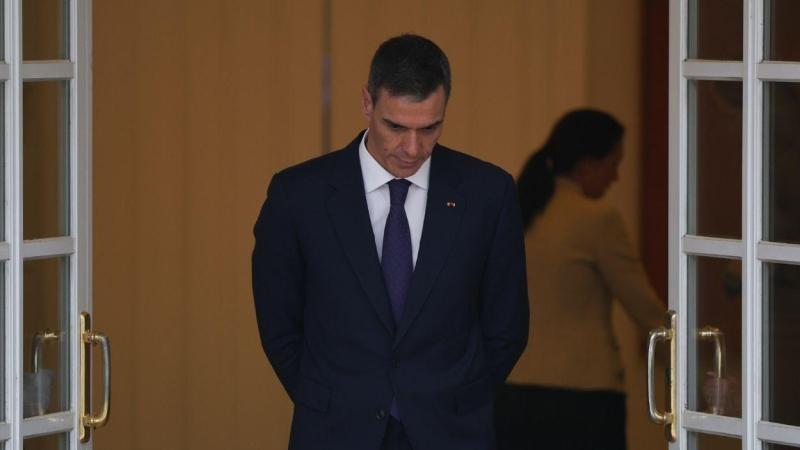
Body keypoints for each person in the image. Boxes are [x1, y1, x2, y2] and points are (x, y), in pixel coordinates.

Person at [252, 34, 529, 450]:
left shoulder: (488, 194)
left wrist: (457, 401)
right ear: (367, 103)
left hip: (452, 431)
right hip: (337, 431)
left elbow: (506, 327)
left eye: (430, 128)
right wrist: (331, 400)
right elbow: (279, 325)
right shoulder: (299, 195)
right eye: (396, 127)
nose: (412, 148)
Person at [494, 109, 665, 450]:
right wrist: (695, 355)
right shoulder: (598, 219)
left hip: (509, 390)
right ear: (587, 165)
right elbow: (644, 308)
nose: (616, 177)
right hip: (581, 396)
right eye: (613, 164)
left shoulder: (513, 210)